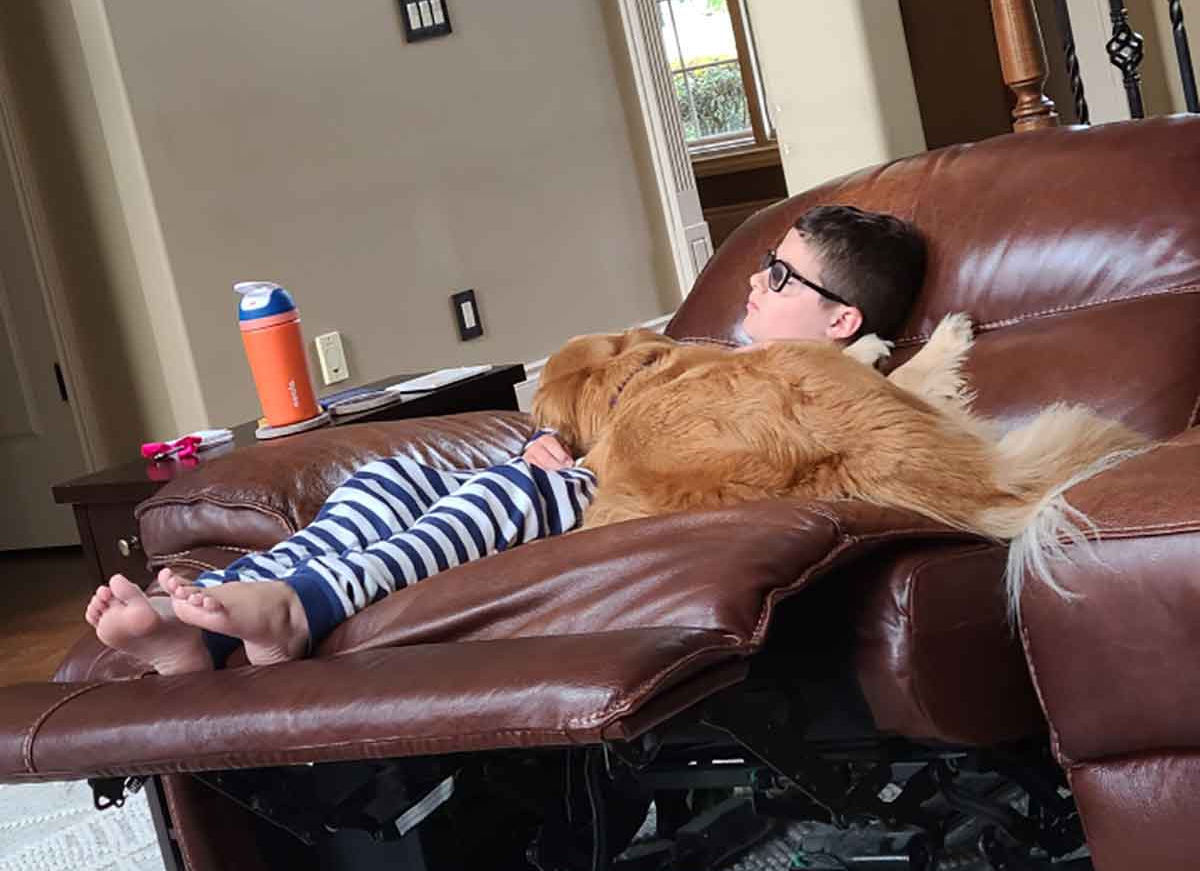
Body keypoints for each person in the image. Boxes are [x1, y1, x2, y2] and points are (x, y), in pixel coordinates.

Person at [84, 205, 926, 675]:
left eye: (780, 276)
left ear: (841, 320)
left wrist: (574, 459)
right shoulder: (710, 349)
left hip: (616, 499)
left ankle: (300, 608)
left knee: (507, 493)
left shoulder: (830, 388)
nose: (753, 277)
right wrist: (556, 432)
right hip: (568, 461)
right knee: (386, 479)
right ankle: (212, 614)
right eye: (763, 261)